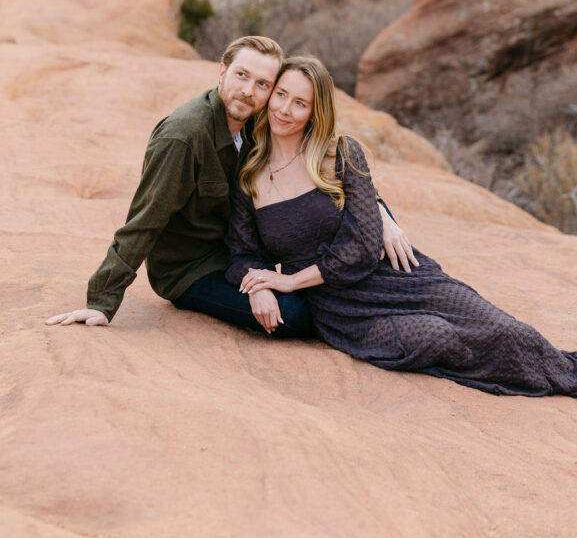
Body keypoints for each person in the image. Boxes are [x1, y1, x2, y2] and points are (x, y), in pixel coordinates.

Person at [226, 54, 577, 399]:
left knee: (501, 327)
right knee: (435, 336)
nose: (285, 109)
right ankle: (541, 374)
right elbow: (242, 252)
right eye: (281, 95)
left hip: (398, 275)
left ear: (315, 111)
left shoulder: (342, 153)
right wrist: (260, 285)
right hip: (343, 309)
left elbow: (364, 243)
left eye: (300, 102)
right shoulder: (249, 175)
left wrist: (291, 281)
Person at [46, 36, 415, 337]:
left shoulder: (261, 121)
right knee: (293, 314)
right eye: (241, 75)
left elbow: (327, 156)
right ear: (221, 72)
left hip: (248, 251)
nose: (249, 91)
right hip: (194, 268)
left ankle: (396, 298)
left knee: (360, 249)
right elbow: (144, 221)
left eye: (263, 84)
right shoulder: (184, 137)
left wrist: (379, 210)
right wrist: (101, 301)